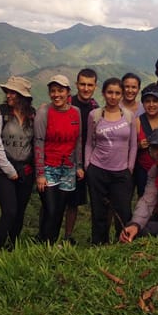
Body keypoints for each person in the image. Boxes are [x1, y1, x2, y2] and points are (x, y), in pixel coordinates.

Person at [84, 78, 137, 244]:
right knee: (99, 211)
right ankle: (99, 244)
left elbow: (133, 145)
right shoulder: (95, 115)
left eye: (117, 93)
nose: (113, 96)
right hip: (97, 169)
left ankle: (122, 243)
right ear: (103, 93)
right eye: (110, 92)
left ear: (121, 95)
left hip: (121, 172)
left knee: (123, 211)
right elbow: (89, 143)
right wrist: (88, 166)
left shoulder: (128, 116)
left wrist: (129, 168)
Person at [0, 76, 36, 250]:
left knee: (20, 212)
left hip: (26, 170)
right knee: (9, 211)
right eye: (8, 92)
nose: (8, 95)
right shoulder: (0, 112)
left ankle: (11, 247)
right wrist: (9, 169)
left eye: (13, 93)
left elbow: (36, 142)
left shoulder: (32, 115)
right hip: (3, 170)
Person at [34, 75, 82, 244]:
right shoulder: (44, 112)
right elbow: (38, 142)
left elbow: (78, 140)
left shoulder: (75, 113)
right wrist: (40, 174)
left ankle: (51, 244)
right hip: (48, 167)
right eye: (53, 91)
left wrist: (79, 165)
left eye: (60, 90)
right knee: (50, 208)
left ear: (68, 92)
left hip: (68, 168)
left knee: (60, 209)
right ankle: (44, 242)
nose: (56, 94)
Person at [63, 68, 98, 243]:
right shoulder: (66, 103)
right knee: (57, 201)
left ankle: (69, 236)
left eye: (89, 85)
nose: (85, 88)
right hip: (64, 160)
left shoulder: (96, 109)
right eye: (82, 84)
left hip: (86, 162)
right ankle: (49, 235)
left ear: (95, 87)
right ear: (77, 85)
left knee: (75, 202)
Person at [132, 84, 158, 198]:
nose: (151, 105)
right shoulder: (137, 122)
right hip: (144, 170)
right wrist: (139, 146)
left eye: (155, 101)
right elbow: (129, 147)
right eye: (147, 101)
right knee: (145, 200)